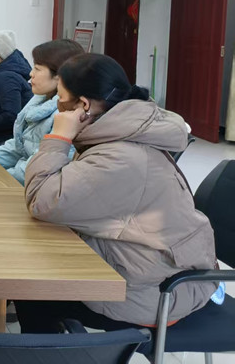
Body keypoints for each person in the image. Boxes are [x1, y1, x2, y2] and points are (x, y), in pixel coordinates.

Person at [16, 53, 219, 332]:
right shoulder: (118, 134)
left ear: (83, 106)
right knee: (34, 265)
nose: (57, 106)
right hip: (145, 265)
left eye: (60, 98)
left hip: (157, 293)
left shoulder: (120, 157)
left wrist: (58, 138)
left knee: (31, 288)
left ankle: (53, 349)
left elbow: (42, 200)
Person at [0, 39, 84, 184]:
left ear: (61, 75)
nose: (31, 73)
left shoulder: (67, 115)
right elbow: (18, 145)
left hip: (35, 184)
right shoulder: (40, 99)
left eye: (37, 69)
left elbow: (38, 167)